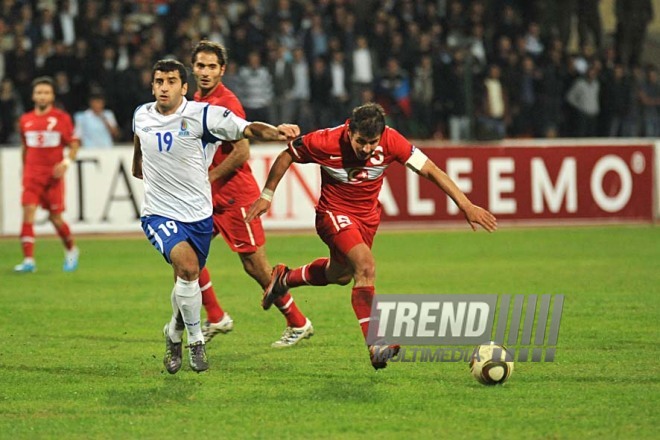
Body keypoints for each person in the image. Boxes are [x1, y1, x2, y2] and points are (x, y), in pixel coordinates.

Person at [245, 103, 497, 370]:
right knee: (365, 266)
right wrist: (267, 195)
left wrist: (466, 205)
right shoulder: (325, 141)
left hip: (367, 219)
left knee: (340, 275)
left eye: (372, 143)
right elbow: (288, 155)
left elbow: (431, 170)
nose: (366, 149)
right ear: (349, 131)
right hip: (333, 214)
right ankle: (376, 344)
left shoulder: (391, 140)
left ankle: (285, 277)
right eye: (361, 142)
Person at [132, 59, 299, 374]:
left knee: (189, 278)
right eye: (158, 81)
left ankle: (173, 333)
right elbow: (139, 142)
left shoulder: (202, 115)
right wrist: (137, 164)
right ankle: (196, 342)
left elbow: (246, 130)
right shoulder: (141, 114)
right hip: (158, 213)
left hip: (198, 215)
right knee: (187, 266)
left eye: (170, 81)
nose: (163, 87)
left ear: (185, 87)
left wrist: (275, 131)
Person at [190, 40, 313, 348]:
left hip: (234, 195)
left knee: (256, 267)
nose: (205, 72)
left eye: (211, 66)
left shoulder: (226, 102)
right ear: (193, 68)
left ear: (223, 70)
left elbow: (242, 152)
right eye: (200, 65)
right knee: (188, 254)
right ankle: (216, 316)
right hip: (211, 195)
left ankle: (299, 322)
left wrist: (209, 177)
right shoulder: (196, 99)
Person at [14, 76, 80, 273]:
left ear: (52, 96)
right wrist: (25, 169)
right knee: (28, 212)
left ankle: (71, 250)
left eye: (46, 92)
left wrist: (66, 162)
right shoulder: (25, 120)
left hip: (53, 178)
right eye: (39, 92)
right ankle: (28, 260)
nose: (42, 96)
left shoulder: (61, 119)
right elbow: (25, 148)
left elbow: (74, 144)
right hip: (32, 177)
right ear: (33, 96)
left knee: (55, 218)